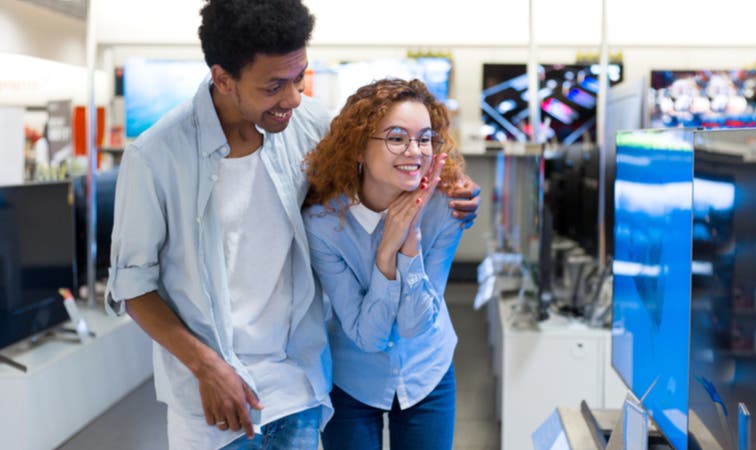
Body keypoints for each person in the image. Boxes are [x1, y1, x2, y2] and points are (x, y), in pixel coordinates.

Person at [105, 1, 481, 449]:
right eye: (273, 86)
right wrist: (206, 367)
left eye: (299, 77)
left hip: (298, 388)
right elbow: (132, 286)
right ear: (223, 79)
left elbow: (377, 158)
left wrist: (448, 181)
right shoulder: (155, 157)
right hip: (218, 398)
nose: (293, 98)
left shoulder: (308, 123)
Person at [302, 78, 465, 450]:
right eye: (396, 137)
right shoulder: (325, 223)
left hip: (427, 370)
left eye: (424, 138)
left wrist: (409, 247)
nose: (415, 151)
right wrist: (385, 253)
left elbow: (415, 325)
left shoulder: (445, 209)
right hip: (353, 377)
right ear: (358, 148)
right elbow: (368, 336)